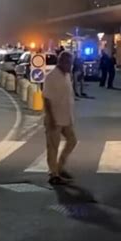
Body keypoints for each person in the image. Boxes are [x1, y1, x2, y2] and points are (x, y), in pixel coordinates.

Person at [43, 51, 78, 185]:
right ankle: (53, 174)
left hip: (66, 117)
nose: (71, 66)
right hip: (54, 118)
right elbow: (46, 99)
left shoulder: (67, 75)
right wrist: (51, 118)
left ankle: (60, 166)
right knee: (53, 147)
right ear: (61, 62)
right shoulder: (52, 77)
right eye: (69, 63)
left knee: (72, 141)